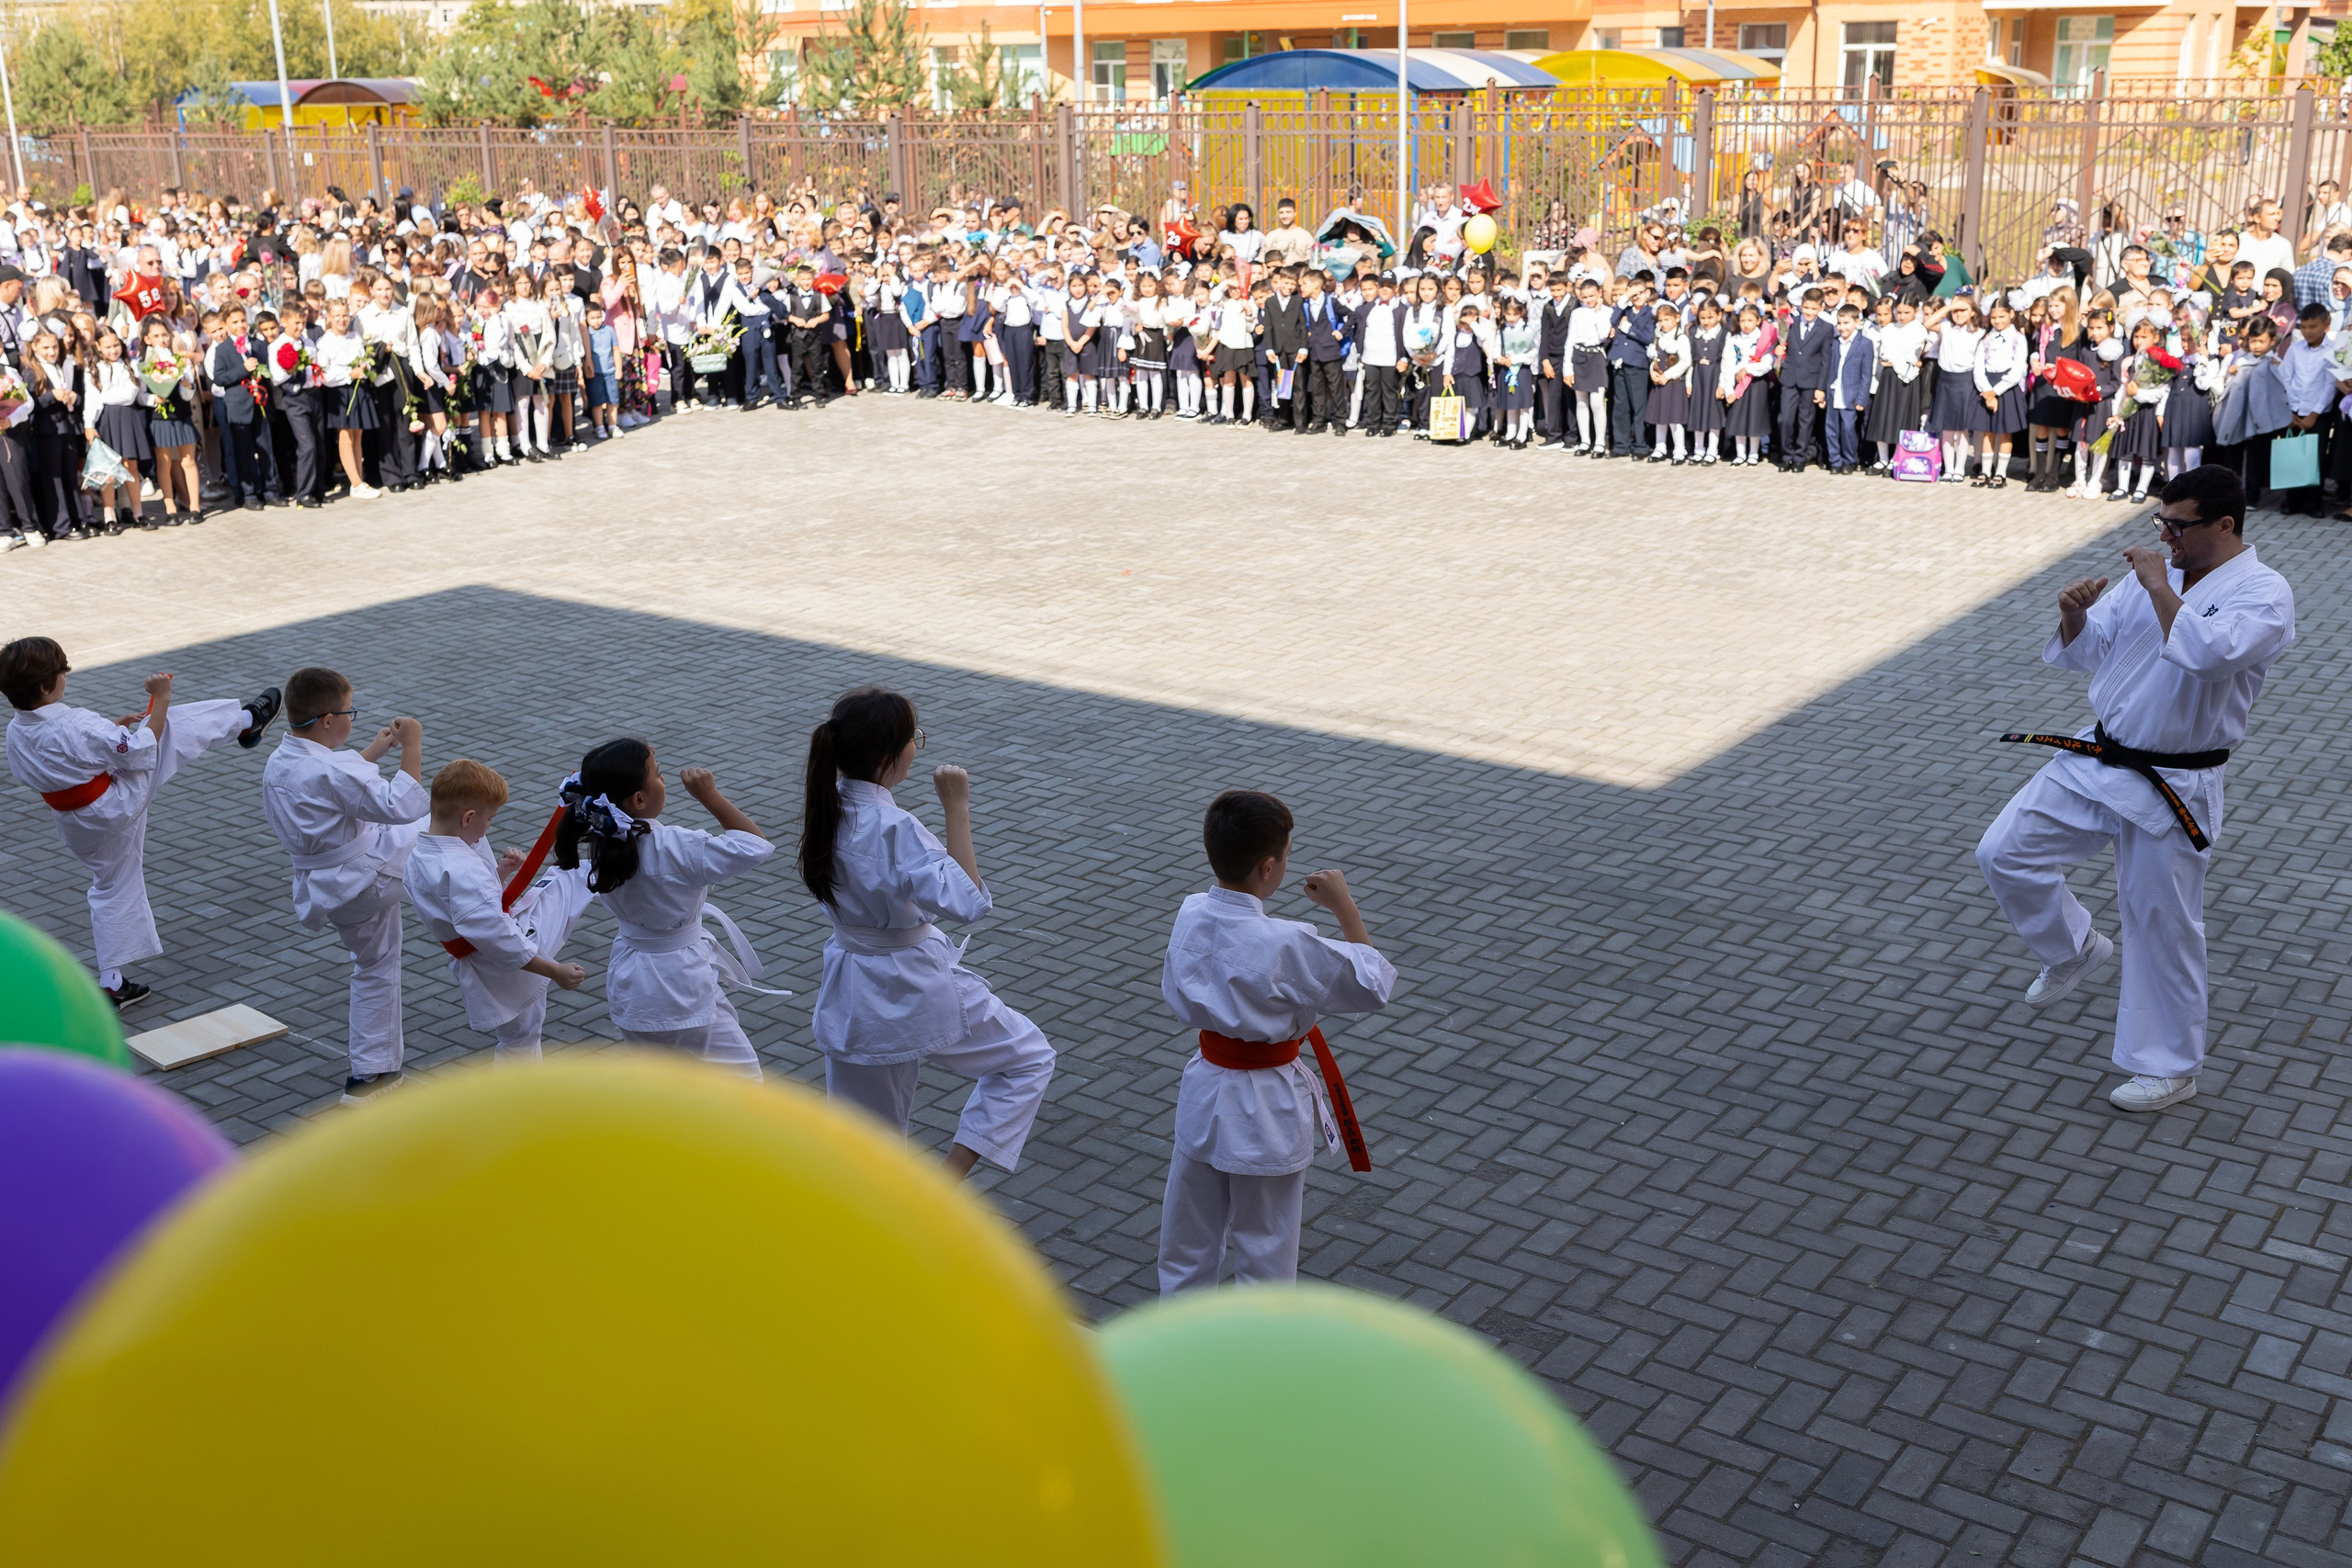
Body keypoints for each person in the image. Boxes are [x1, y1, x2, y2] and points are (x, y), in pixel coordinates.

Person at [1976, 466, 2294, 1113]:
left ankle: (2171, 1065)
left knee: (2162, 924)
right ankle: (2073, 947)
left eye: (2179, 525)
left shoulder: (2264, 593)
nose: (2166, 536)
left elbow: (2208, 653)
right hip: (2100, 756)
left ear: (2225, 524)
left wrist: (2157, 585)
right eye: (2162, 523)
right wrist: (2073, 617)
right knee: (2003, 851)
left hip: (2177, 778)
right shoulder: (2154, 573)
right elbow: (2098, 651)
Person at [797, 687, 1057, 1179]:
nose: (918, 745)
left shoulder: (826, 810)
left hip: (853, 984)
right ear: (891, 755)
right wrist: (956, 806)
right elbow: (969, 902)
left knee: (862, 1137)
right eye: (914, 737)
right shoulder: (897, 827)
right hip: (910, 978)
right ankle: (946, 1180)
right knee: (1028, 1057)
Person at [1156, 789, 1396, 1294]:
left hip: (1205, 1087)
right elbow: (1372, 984)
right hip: (1265, 1103)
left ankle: (1178, 1356)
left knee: (1187, 1241)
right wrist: (1344, 906)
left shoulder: (1192, 912)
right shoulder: (1286, 942)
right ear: (1269, 867)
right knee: (1265, 1247)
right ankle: (1259, 1361)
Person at [2, 637, 278, 1009]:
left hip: (73, 820)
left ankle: (112, 981)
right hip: (112, 805)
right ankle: (247, 721)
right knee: (170, 726)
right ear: (45, 685)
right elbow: (139, 751)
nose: (66, 675)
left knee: (111, 884)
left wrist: (112, 734)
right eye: (61, 672)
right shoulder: (75, 722)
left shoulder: (16, 731)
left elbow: (59, 762)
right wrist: (161, 698)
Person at [259, 666, 429, 1103]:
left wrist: (375, 749)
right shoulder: (332, 770)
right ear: (329, 721)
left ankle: (371, 1075)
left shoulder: (282, 760)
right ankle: (492, 902)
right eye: (350, 710)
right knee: (446, 824)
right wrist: (412, 744)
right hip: (367, 876)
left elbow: (334, 778)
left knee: (375, 963)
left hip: (326, 888)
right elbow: (403, 804)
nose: (354, 717)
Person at [556, 739, 774, 1077]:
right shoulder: (676, 846)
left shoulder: (602, 846)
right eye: (658, 775)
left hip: (631, 982)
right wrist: (709, 796)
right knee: (742, 1082)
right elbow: (755, 846)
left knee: (664, 1086)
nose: (664, 781)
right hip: (681, 983)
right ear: (639, 800)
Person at [403, 758, 593, 1065]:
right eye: (489, 819)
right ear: (468, 818)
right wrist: (553, 970)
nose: (489, 825)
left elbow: (459, 904)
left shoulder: (421, 855)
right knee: (521, 1037)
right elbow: (498, 935)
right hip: (501, 961)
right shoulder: (462, 869)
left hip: (482, 953)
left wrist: (499, 873)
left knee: (519, 1036)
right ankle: (520, 1104)